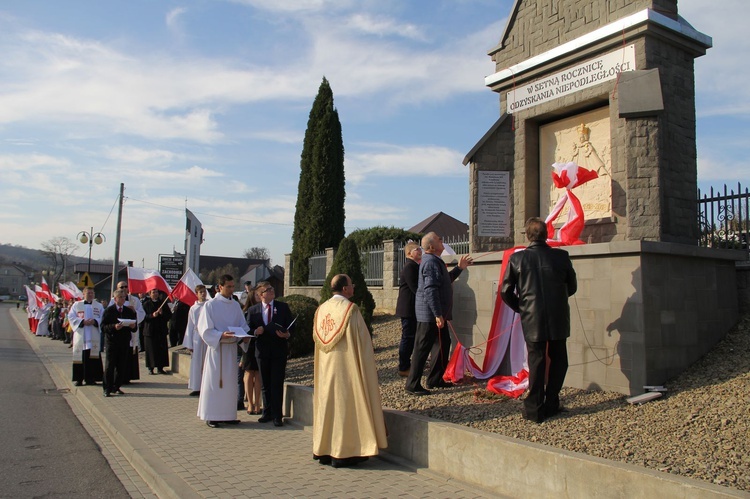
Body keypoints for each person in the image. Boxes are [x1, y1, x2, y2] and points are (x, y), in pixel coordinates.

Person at [501, 217, 577, 423]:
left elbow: (505, 291)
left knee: (537, 361)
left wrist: (521, 308)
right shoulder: (561, 257)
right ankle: (551, 401)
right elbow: (572, 286)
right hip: (558, 315)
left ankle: (535, 407)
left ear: (528, 236)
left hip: (532, 316)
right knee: (559, 358)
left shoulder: (518, 259)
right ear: (546, 234)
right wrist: (557, 300)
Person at [312, 274, 387, 468]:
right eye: (351, 284)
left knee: (328, 405)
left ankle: (325, 449)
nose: (353, 287)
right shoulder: (350, 310)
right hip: (346, 367)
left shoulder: (321, 309)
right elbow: (362, 342)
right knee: (346, 405)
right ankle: (345, 452)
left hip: (326, 369)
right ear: (345, 289)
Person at [405, 232, 472, 396]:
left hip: (436, 315)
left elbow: (444, 280)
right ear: (431, 246)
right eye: (438, 239)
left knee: (442, 344)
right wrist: (437, 314)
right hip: (429, 316)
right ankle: (412, 384)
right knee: (422, 348)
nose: (442, 240)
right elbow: (430, 290)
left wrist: (459, 268)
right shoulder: (430, 263)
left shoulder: (434, 260)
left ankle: (435, 379)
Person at [196, 275, 251, 428]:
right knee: (215, 382)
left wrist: (245, 336)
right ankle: (212, 415)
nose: (232, 289)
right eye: (229, 286)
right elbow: (205, 329)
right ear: (219, 287)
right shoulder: (210, 305)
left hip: (231, 348)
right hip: (217, 349)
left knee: (230, 383)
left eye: (233, 286)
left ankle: (228, 415)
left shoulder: (235, 305)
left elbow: (243, 325)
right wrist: (220, 335)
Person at [246, 281, 294, 427]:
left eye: (272, 288)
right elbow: (247, 329)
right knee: (265, 384)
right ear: (261, 295)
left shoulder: (282, 307)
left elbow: (292, 325)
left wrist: (287, 334)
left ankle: (277, 416)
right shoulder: (253, 310)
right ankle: (266, 413)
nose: (271, 291)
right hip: (262, 351)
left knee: (276, 383)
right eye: (268, 290)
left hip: (279, 351)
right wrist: (255, 332)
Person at [100, 289, 138, 397]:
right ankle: (107, 388)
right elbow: (103, 327)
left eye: (124, 297)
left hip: (124, 342)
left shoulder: (128, 311)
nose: (123, 299)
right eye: (120, 297)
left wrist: (133, 326)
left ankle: (116, 387)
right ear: (115, 299)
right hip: (112, 342)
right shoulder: (109, 311)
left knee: (121, 366)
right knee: (109, 366)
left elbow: (135, 328)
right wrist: (114, 327)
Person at [394, 241, 422, 377]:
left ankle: (411, 363)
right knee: (408, 337)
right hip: (408, 309)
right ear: (410, 253)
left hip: (412, 308)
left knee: (413, 337)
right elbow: (416, 288)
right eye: (418, 249)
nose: (420, 251)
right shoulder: (410, 267)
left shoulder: (415, 266)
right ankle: (404, 366)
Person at [68, 287, 104, 386]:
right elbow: (71, 316)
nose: (90, 295)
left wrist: (95, 321)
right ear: (83, 294)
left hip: (93, 335)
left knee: (92, 358)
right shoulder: (77, 305)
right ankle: (79, 379)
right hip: (81, 335)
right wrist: (82, 321)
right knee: (80, 357)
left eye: (92, 293)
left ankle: (91, 379)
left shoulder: (99, 306)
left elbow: (103, 317)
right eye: (88, 293)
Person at [110, 281, 145, 383]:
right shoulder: (113, 301)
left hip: (130, 332)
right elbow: (110, 313)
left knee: (129, 354)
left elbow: (142, 313)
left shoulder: (134, 300)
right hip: (118, 331)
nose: (124, 288)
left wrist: (134, 311)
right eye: (121, 287)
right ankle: (117, 378)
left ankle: (128, 376)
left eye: (125, 286)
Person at [182, 284, 209, 396]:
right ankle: (196, 386)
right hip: (197, 337)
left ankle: (207, 386)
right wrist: (189, 344)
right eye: (200, 292)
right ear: (197, 294)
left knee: (207, 362)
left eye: (204, 291)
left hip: (208, 336)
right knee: (197, 363)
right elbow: (190, 325)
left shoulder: (209, 305)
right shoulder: (193, 308)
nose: (203, 294)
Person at [241, 286, 262, 415]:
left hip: (260, 345)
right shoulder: (247, 311)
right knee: (249, 374)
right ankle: (250, 403)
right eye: (256, 295)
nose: (259, 297)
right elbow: (244, 328)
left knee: (258, 374)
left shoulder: (264, 310)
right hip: (249, 345)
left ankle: (258, 403)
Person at [142, 288, 172, 374]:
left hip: (160, 331)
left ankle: (160, 367)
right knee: (151, 350)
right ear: (149, 294)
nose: (155, 294)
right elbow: (143, 317)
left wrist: (162, 313)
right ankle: (150, 368)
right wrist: (152, 315)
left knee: (160, 350)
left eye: (156, 292)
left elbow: (169, 316)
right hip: (150, 331)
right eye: (153, 292)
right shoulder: (146, 304)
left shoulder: (162, 303)